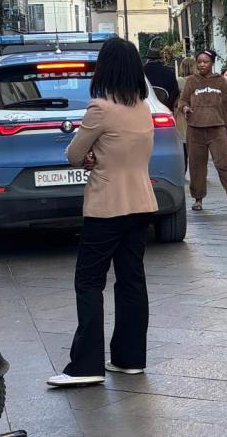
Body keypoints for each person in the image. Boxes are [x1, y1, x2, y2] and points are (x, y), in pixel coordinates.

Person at [47, 38, 158, 387]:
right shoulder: (143, 107)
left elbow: (74, 154)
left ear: (105, 68)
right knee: (131, 280)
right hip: (141, 202)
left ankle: (86, 365)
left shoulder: (100, 107)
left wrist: (90, 155)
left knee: (89, 282)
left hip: (107, 205)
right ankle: (129, 359)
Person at [177, 50, 227, 213]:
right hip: (195, 130)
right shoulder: (192, 81)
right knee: (197, 166)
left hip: (217, 129)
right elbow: (183, 100)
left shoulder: (220, 81)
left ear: (212, 63)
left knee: (223, 164)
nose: (201, 64)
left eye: (205, 61)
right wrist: (185, 108)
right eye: (199, 61)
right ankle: (198, 199)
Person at [143, 42, 180, 110]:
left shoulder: (140, 72)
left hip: (145, 109)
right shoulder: (170, 72)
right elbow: (175, 92)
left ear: (147, 59)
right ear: (160, 59)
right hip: (165, 109)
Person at [175, 55, 195, 172]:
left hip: (182, 117)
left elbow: (174, 99)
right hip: (197, 116)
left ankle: (183, 171)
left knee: (183, 147)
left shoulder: (180, 82)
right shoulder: (199, 81)